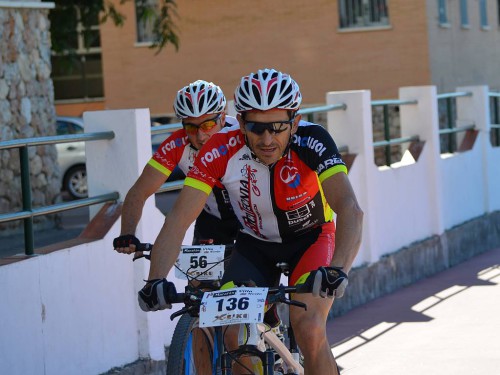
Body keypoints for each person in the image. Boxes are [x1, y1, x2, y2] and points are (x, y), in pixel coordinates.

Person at [138, 68, 363, 375]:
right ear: (241, 122)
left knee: (309, 327)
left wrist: (338, 269)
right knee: (233, 331)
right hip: (255, 245)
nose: (267, 139)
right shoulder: (219, 149)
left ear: (295, 122)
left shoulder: (313, 141)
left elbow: (350, 209)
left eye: (278, 127)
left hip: (312, 239)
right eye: (256, 128)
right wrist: (155, 280)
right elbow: (178, 219)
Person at [113, 79, 240, 252]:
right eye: (191, 127)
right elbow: (139, 191)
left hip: (251, 220)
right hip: (212, 219)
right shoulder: (178, 144)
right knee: (198, 278)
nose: (201, 136)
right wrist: (127, 233)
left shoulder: (241, 135)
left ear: (223, 117)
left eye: (208, 125)